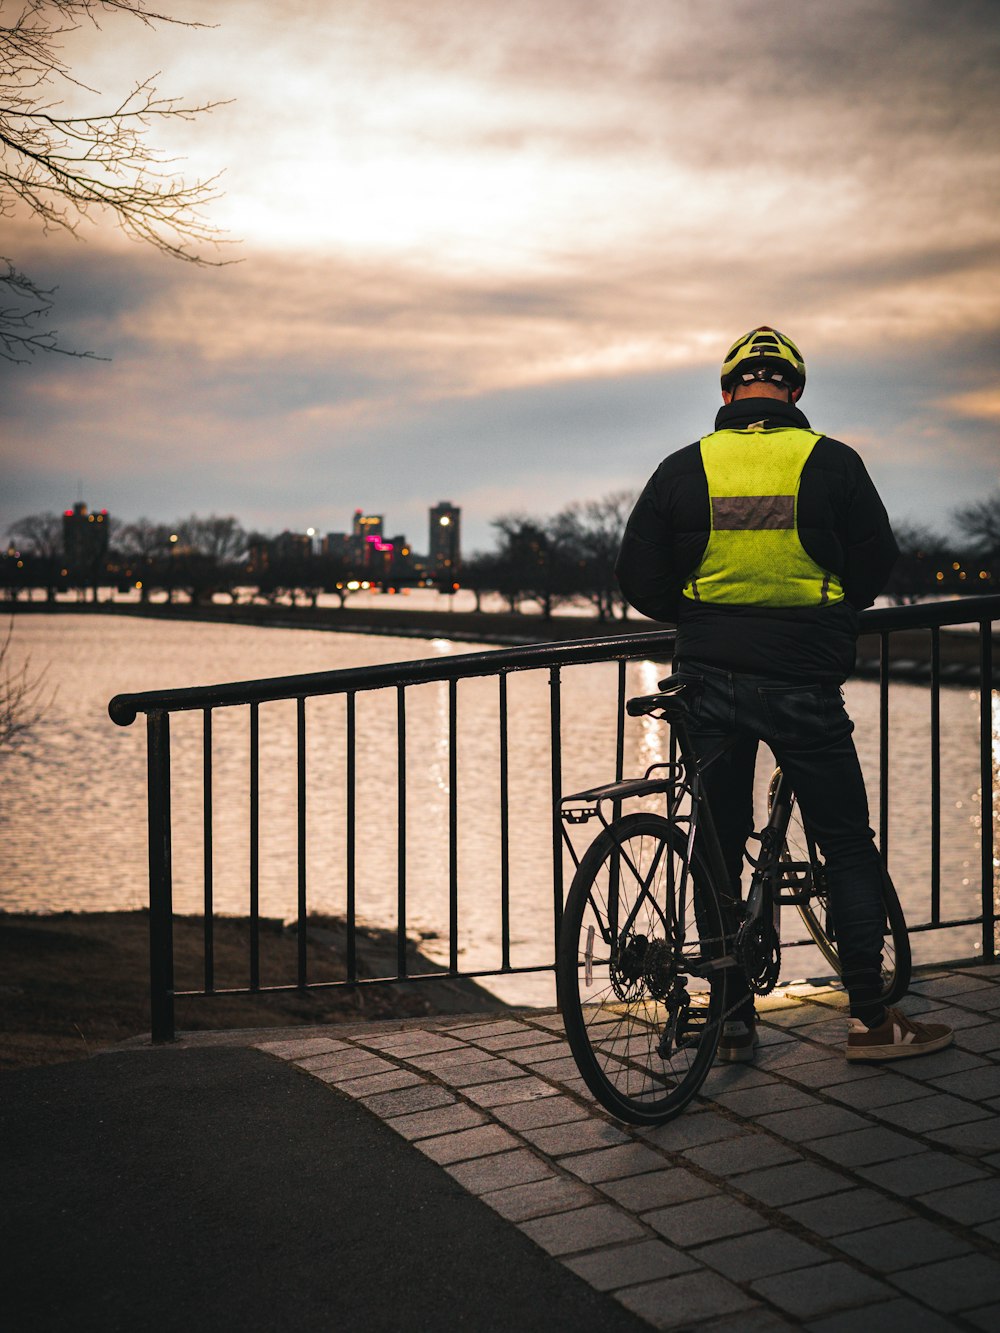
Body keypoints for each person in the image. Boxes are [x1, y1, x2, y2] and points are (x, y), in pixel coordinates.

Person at [615, 326, 952, 1063]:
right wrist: (825, 606)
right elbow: (876, 561)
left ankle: (732, 1015)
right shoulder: (833, 463)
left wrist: (705, 613)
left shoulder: (683, 467)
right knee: (847, 847)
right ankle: (870, 1020)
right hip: (804, 679)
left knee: (716, 843)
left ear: (728, 391)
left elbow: (640, 582)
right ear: (795, 391)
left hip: (708, 681)